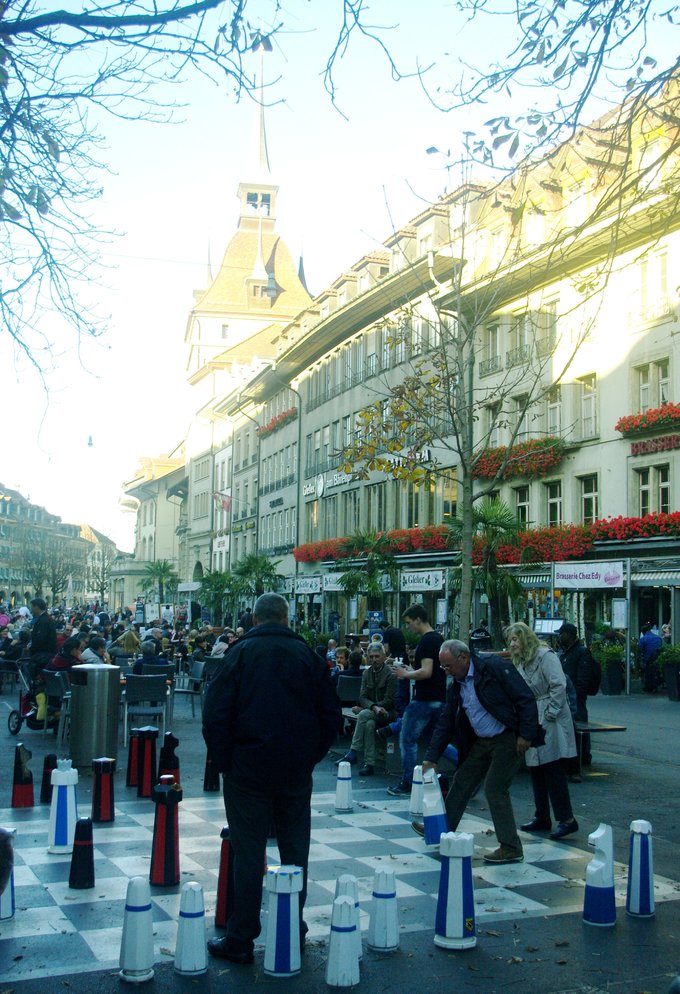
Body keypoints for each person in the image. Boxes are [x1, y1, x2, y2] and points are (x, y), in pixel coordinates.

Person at [202, 592, 340, 966]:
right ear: (286, 617)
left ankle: (241, 937)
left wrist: (226, 760)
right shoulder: (308, 657)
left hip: (247, 768)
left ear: (255, 619)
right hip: (294, 770)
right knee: (296, 852)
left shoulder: (239, 654)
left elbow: (215, 713)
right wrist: (309, 756)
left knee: (248, 854)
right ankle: (291, 927)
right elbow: (331, 715)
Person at [413, 639, 541, 865]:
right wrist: (431, 757)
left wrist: (526, 734)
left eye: (448, 666)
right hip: (482, 739)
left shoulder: (492, 667)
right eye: (443, 667)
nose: (446, 671)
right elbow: (446, 722)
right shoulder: (457, 684)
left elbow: (525, 698)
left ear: (463, 658)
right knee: (462, 779)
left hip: (508, 735)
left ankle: (511, 846)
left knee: (495, 787)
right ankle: (443, 829)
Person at [506, 622, 578, 840]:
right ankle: (542, 815)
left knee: (552, 768)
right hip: (533, 715)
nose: (512, 644)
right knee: (536, 768)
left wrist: (550, 713)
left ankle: (567, 819)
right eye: (510, 640)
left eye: (515, 639)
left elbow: (559, 684)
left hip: (549, 714)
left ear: (525, 638)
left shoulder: (546, 656)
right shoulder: (521, 660)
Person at [388, 605, 445, 796]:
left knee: (407, 739)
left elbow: (427, 671)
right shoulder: (437, 638)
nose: (408, 627)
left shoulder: (428, 641)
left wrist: (406, 674)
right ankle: (465, 770)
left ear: (418, 619)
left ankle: (409, 781)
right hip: (438, 698)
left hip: (424, 699)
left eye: (409, 623)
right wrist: (410, 670)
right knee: (435, 742)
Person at [334, 643, 397, 775]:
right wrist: (373, 707)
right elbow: (362, 697)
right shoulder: (366, 673)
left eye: (377, 656)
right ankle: (369, 764)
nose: (374, 659)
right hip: (372, 712)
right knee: (369, 724)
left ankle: (353, 752)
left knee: (363, 715)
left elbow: (390, 700)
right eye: (371, 657)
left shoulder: (390, 675)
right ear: (367, 658)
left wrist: (371, 707)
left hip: (388, 713)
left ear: (384, 657)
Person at [557, 622, 593, 777]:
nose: (559, 637)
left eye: (561, 634)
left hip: (575, 698)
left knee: (579, 728)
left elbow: (584, 677)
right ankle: (575, 760)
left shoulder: (581, 652)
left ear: (569, 635)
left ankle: (583, 757)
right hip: (566, 696)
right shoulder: (564, 652)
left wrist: (576, 694)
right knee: (571, 729)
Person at [28, 598, 57, 681]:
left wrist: (31, 647)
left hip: (42, 655)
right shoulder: (47, 618)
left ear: (36, 607)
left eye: (32, 607)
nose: (31, 609)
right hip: (47, 654)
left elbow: (40, 639)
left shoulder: (43, 621)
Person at [638, 622, 663, 692]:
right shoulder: (658, 638)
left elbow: (639, 650)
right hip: (658, 660)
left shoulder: (643, 639)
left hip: (648, 660)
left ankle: (647, 686)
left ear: (642, 632)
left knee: (644, 666)